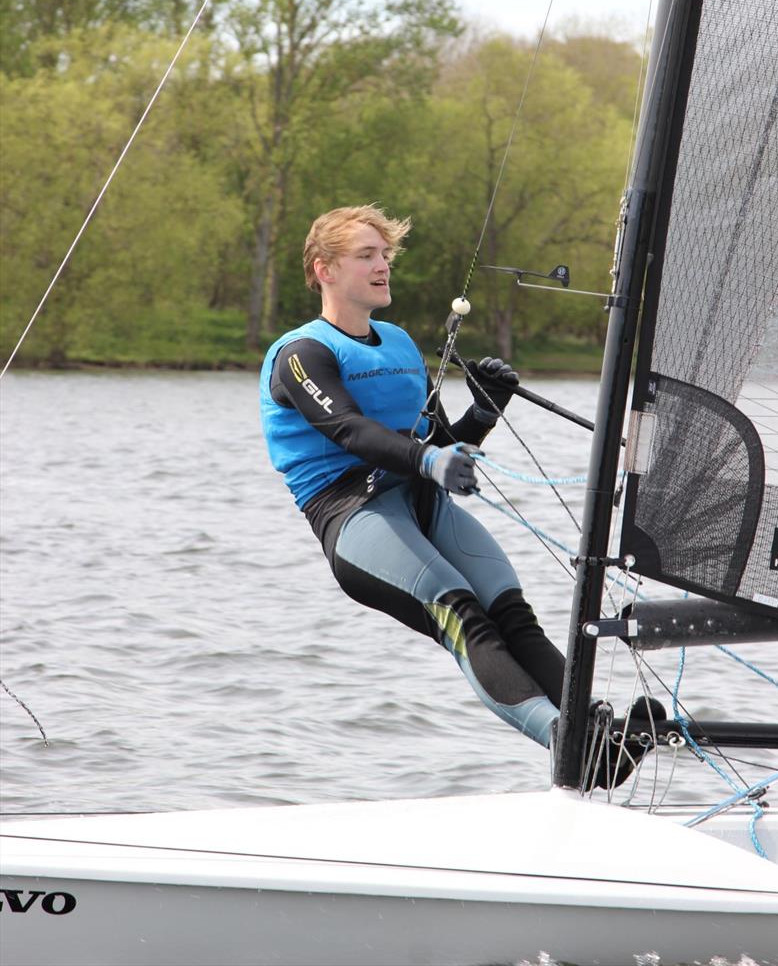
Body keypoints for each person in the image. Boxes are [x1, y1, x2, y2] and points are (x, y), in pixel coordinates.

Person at [260, 204, 662, 779]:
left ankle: (599, 735)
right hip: (355, 518)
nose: (383, 266)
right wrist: (429, 458)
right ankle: (565, 741)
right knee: (463, 614)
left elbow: (442, 442)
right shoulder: (302, 354)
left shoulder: (398, 343)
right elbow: (349, 429)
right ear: (324, 269)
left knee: (514, 616)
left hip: (424, 504)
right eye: (366, 256)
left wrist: (484, 409)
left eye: (386, 255)